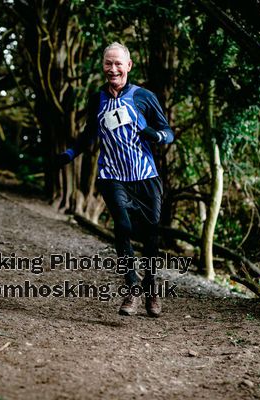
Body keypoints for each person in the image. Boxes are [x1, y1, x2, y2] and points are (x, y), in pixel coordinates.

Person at [56, 42, 174, 317]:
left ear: (128, 66)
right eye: (108, 63)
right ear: (103, 66)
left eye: (118, 63)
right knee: (122, 226)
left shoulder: (144, 96)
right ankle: (132, 286)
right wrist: (70, 153)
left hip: (145, 177)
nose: (113, 69)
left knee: (151, 236)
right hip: (112, 175)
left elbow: (168, 132)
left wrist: (155, 136)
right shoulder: (96, 99)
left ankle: (151, 287)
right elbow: (89, 134)